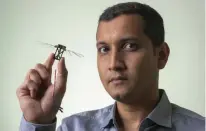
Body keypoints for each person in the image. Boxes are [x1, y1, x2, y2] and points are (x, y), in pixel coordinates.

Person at [17, 2, 205, 131]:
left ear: (161, 55)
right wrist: (37, 123)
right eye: (104, 49)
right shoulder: (73, 128)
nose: (114, 64)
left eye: (130, 46)